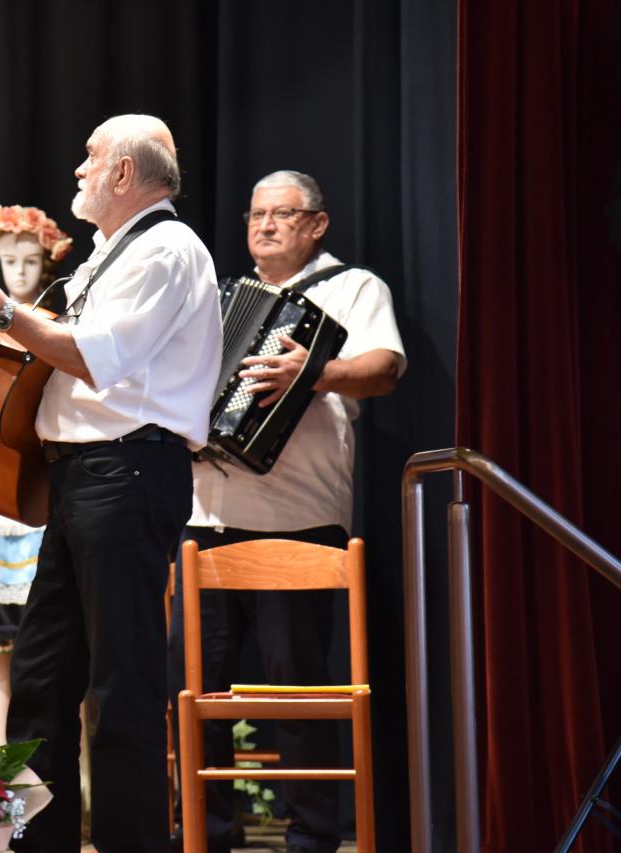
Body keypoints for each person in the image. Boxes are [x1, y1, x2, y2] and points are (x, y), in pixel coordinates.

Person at [0, 114, 223, 853]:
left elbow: (97, 358)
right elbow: (51, 356)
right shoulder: (108, 253)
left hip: (128, 471)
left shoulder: (166, 249)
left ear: (125, 172)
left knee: (122, 683)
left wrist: (3, 310)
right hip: (84, 477)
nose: (78, 169)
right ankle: (40, 843)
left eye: (91, 156)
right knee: (39, 676)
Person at [170, 170, 406, 853]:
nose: (266, 225)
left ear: (317, 224)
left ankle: (311, 839)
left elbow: (385, 368)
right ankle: (207, 834)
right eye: (257, 215)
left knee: (297, 691)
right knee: (197, 692)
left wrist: (313, 372)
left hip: (297, 518)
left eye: (283, 214)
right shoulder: (222, 300)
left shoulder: (352, 288)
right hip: (204, 520)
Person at [0, 205, 72, 741]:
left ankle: (46, 749)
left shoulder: (54, 323)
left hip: (37, 478)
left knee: (44, 636)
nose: (19, 271)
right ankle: (1, 750)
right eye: (8, 260)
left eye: (29, 260)